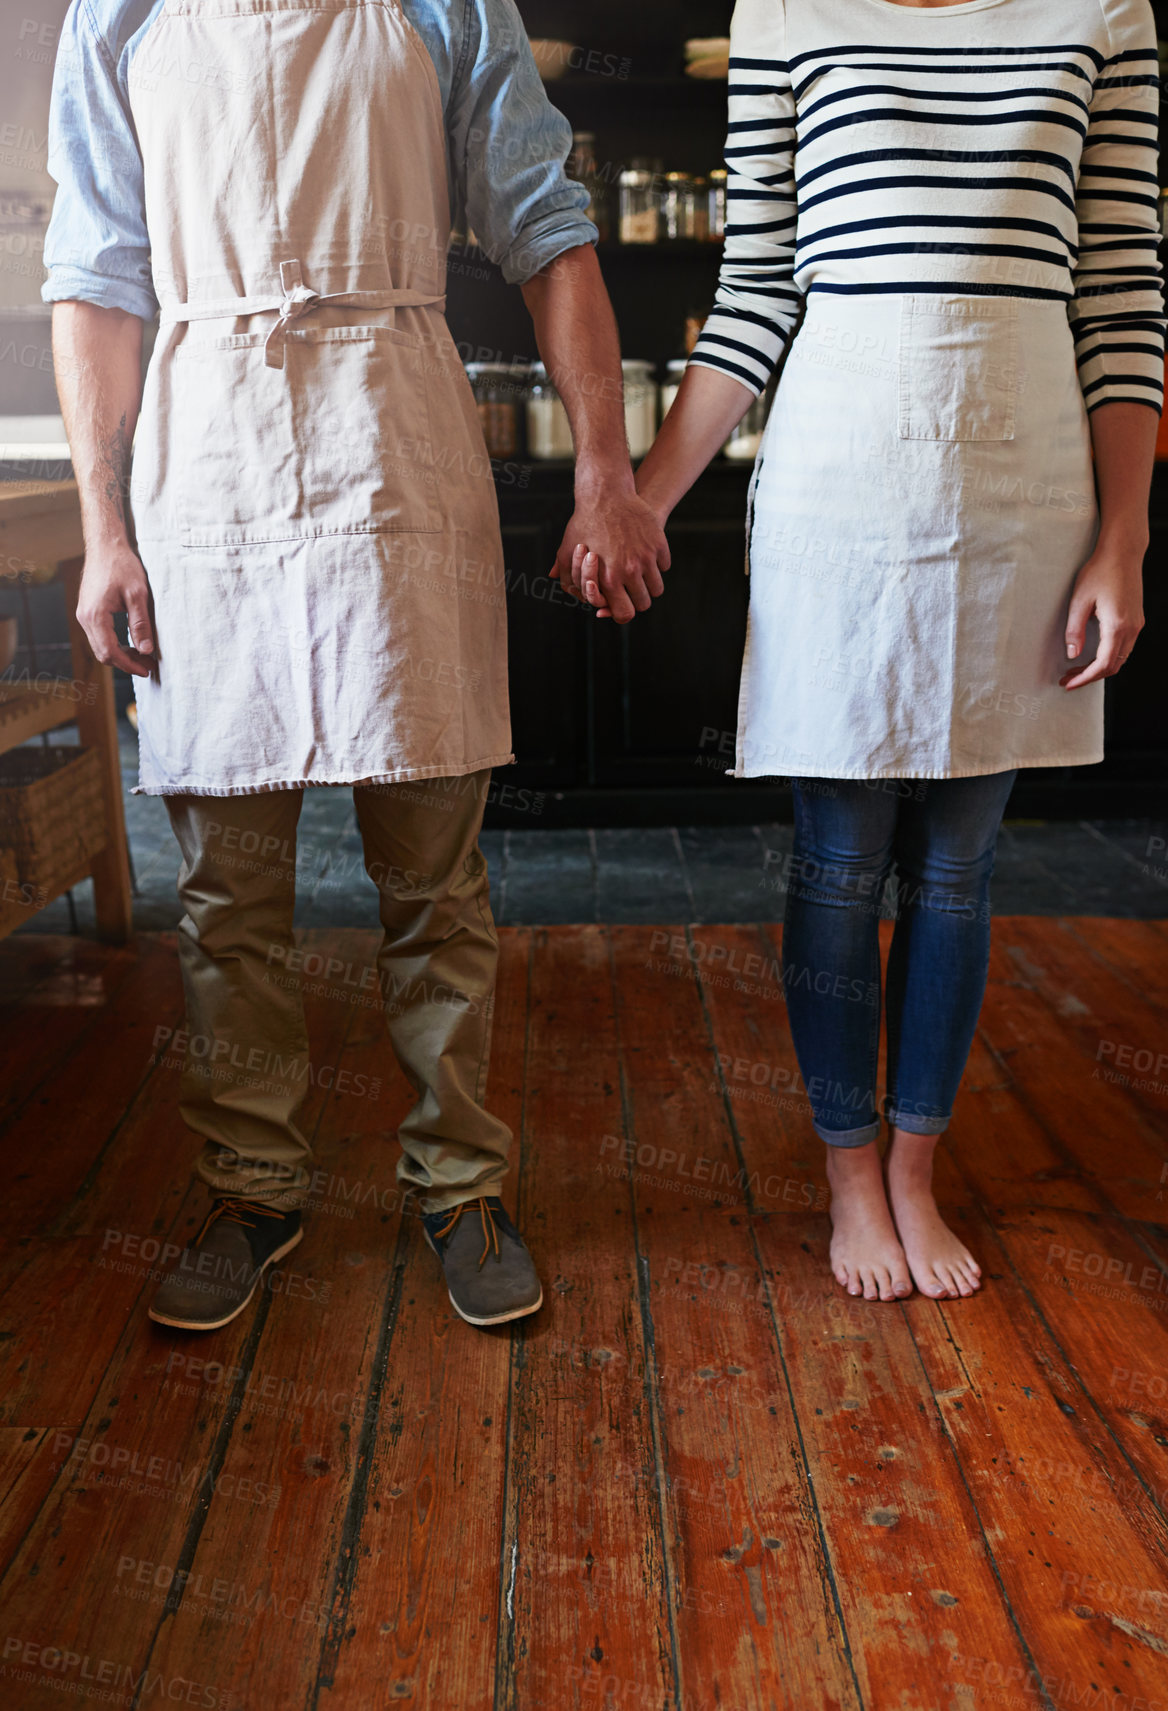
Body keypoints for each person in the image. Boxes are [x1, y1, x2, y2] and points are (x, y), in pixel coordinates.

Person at [42, 0, 669, 1330]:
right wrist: (104, 527)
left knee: (433, 878)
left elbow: (550, 233)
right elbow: (97, 276)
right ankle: (251, 1183)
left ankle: (460, 1183)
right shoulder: (122, 13)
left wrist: (608, 474)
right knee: (224, 890)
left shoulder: (447, 4)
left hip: (394, 443)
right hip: (207, 467)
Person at [616, 0, 1164, 1302]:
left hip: (1025, 497)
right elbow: (754, 294)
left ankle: (918, 1172)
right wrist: (644, 497)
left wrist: (1124, 541)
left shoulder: (1103, 15)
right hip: (841, 495)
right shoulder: (787, 15)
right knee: (843, 859)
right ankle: (850, 1178)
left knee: (962, 870)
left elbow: (1126, 296)